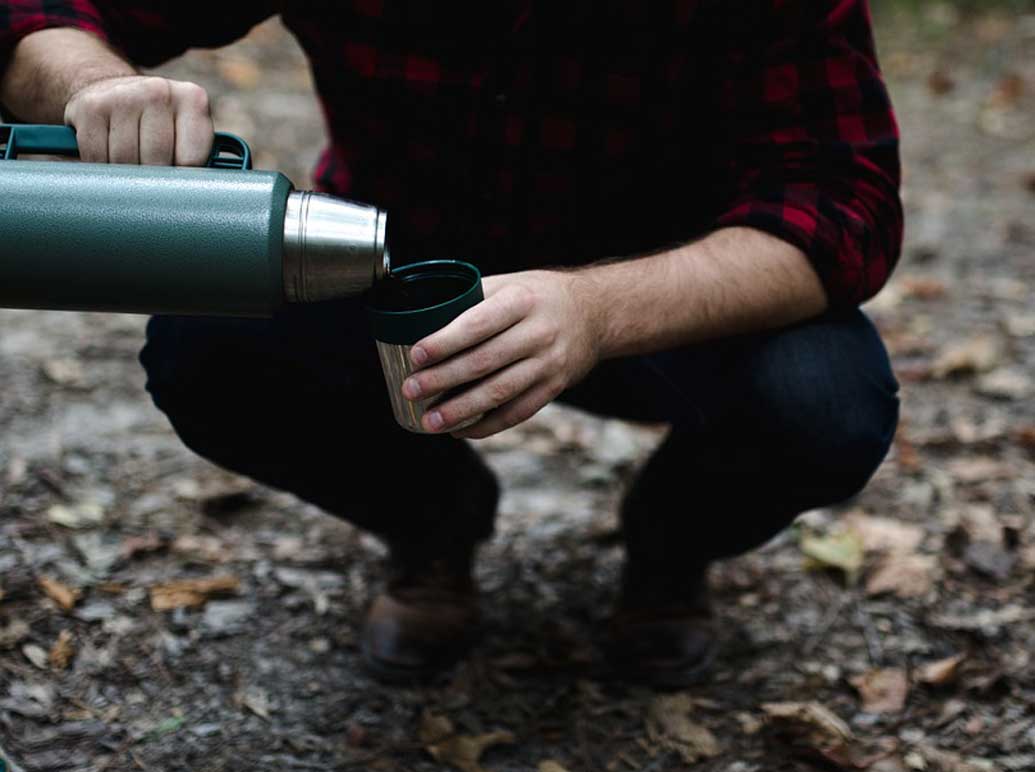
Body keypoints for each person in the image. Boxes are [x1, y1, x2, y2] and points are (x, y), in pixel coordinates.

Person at [0, 1, 902, 686]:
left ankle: (669, 550)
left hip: (669, 296)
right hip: (394, 267)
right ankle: (432, 528)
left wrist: (595, 311)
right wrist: (88, 83)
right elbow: (41, 9)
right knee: (207, 349)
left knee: (822, 403)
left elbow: (842, 201)